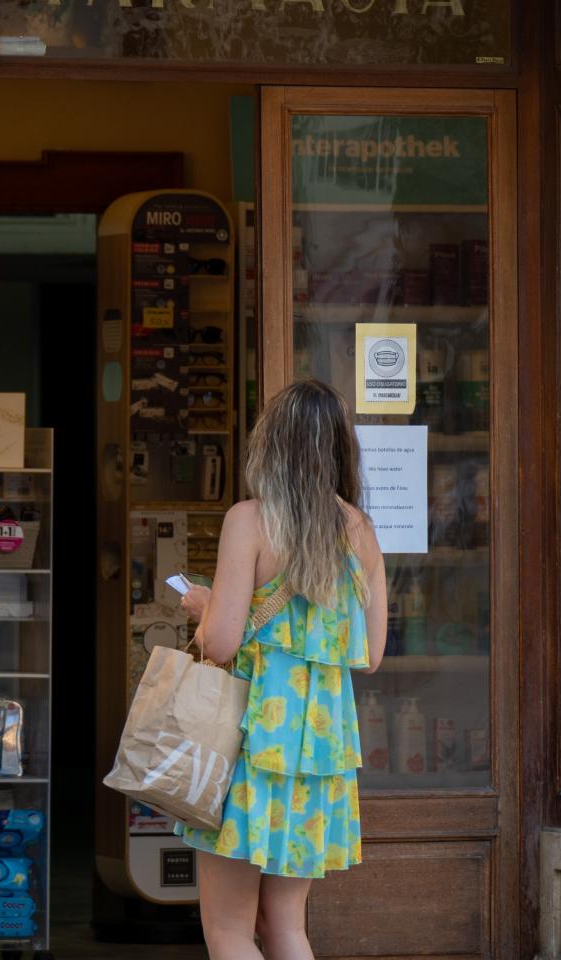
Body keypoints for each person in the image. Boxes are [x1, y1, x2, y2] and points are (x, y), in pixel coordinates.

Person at [176, 379, 387, 960]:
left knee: (229, 929)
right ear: (340, 449)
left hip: (251, 744)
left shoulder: (250, 520)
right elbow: (371, 654)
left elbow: (219, 644)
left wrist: (203, 605)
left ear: (272, 445)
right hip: (319, 752)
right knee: (288, 928)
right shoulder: (360, 531)